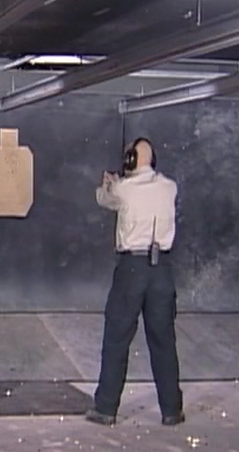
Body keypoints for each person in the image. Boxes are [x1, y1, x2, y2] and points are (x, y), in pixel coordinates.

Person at [86, 137, 185, 427]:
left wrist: (109, 183)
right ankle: (172, 410)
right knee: (164, 341)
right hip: (162, 269)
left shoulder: (123, 189)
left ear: (131, 159)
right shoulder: (170, 187)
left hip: (132, 268)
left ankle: (106, 408)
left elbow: (104, 199)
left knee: (117, 338)